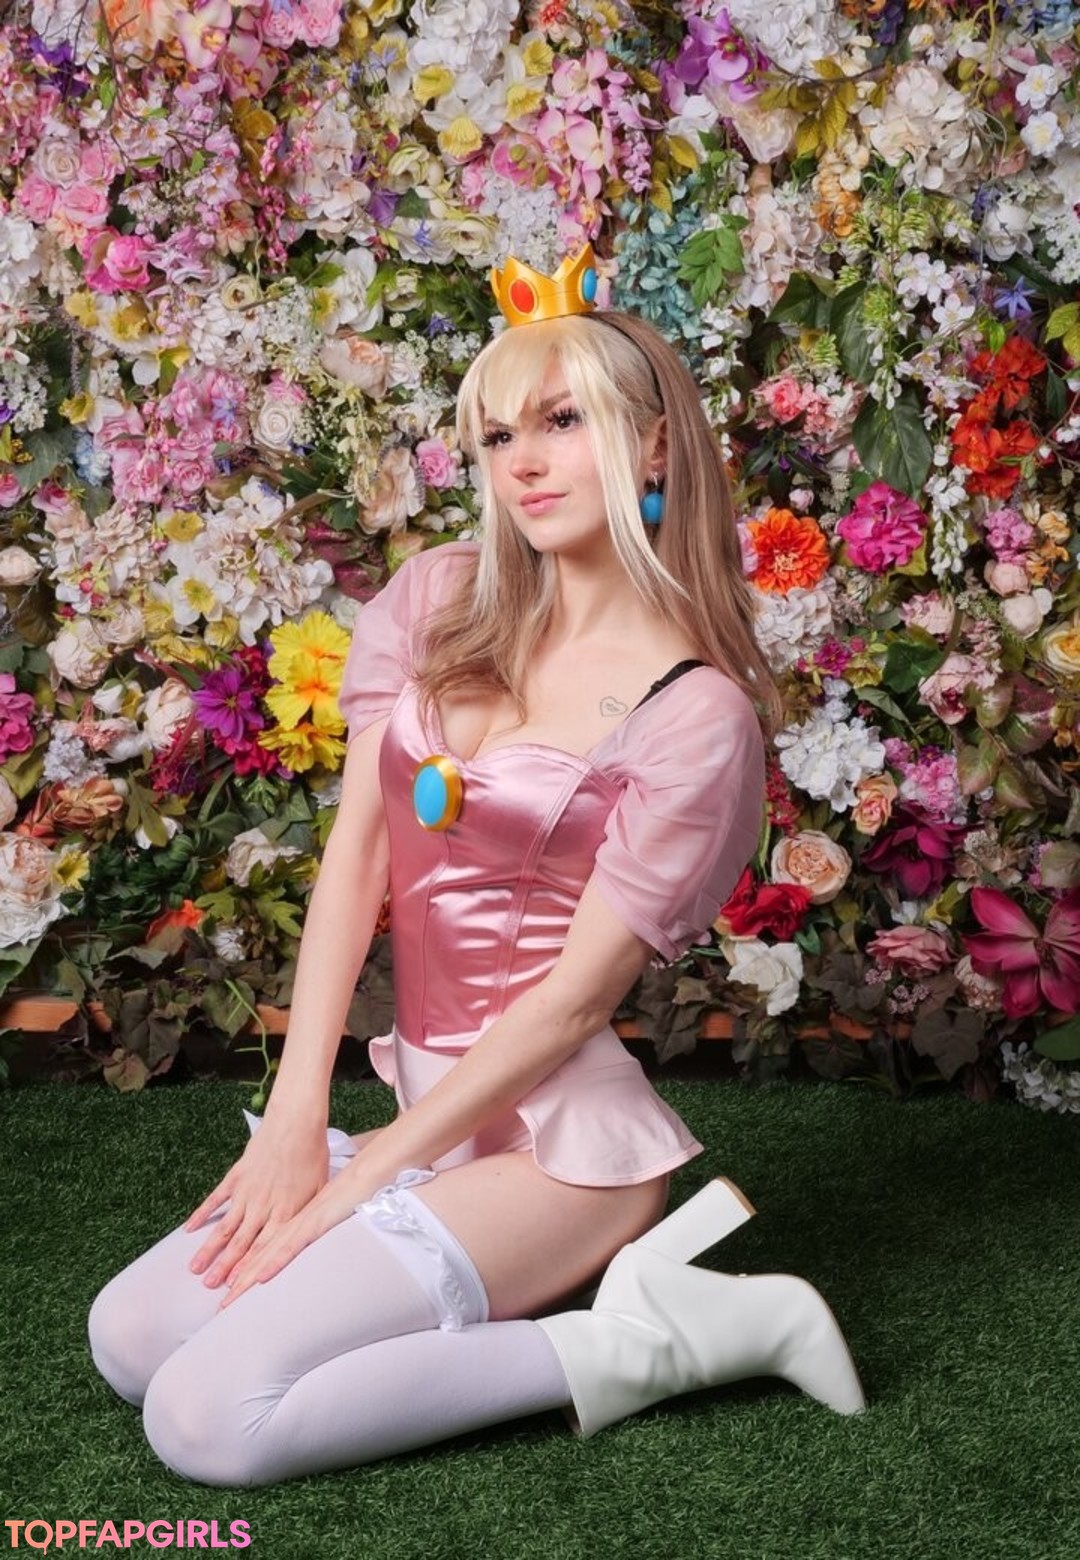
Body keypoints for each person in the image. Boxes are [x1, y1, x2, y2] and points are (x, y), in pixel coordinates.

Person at [87, 246, 864, 1487]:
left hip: (556, 1158)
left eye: (563, 422)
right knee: (128, 1338)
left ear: (655, 445)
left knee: (208, 1420)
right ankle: (428, 1252)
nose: (525, 464)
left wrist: (360, 1189)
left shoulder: (695, 713)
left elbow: (568, 1009)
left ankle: (664, 1337)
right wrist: (296, 1122)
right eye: (500, 436)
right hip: (423, 1109)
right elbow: (358, 861)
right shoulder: (437, 598)